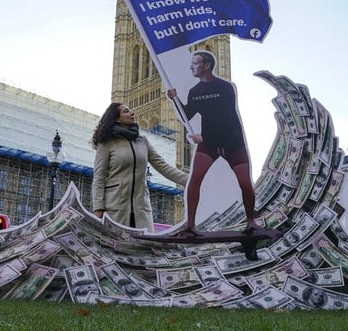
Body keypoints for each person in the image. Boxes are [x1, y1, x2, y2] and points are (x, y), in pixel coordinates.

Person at [166, 51, 257, 234]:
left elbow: (228, 119)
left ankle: (251, 222)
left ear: (207, 65)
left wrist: (205, 138)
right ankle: (190, 225)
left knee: (245, 183)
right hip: (209, 144)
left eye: (195, 63)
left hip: (232, 141)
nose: (191, 66)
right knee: (196, 178)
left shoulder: (225, 87)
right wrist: (175, 99)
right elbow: (187, 116)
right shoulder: (195, 91)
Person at [91, 102, 187, 232]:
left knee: (144, 249)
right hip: (115, 209)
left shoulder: (142, 141)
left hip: (140, 209)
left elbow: (163, 166)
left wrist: (191, 181)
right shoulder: (107, 143)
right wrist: (98, 209)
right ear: (117, 118)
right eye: (126, 111)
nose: (132, 112)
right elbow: (99, 178)